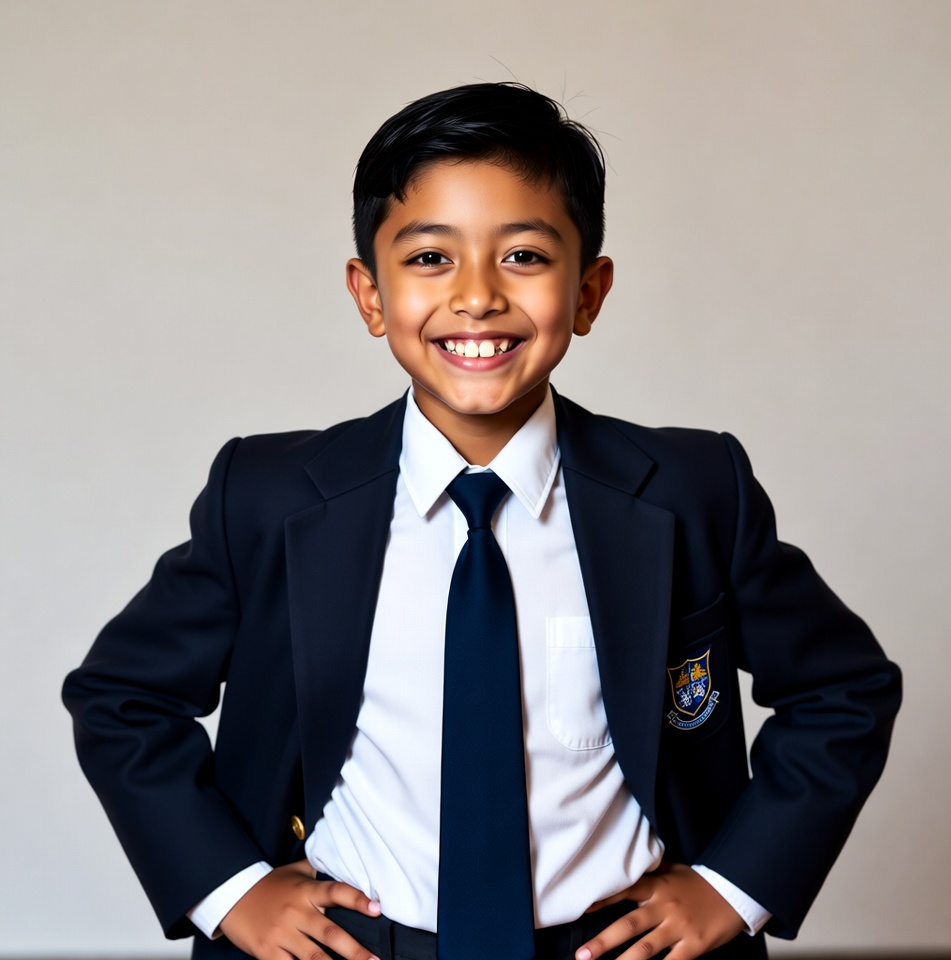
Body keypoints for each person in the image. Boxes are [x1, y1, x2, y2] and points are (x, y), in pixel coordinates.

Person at [63, 82, 901, 960]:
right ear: (369, 293)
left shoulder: (690, 491)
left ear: (589, 290)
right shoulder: (269, 496)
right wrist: (230, 890)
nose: (476, 298)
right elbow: (123, 698)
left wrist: (735, 887)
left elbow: (843, 689)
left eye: (526, 257)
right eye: (429, 258)